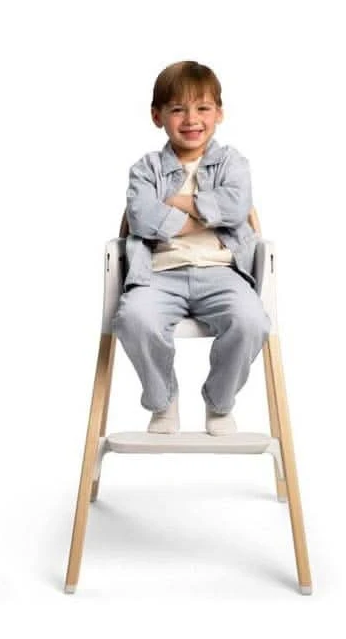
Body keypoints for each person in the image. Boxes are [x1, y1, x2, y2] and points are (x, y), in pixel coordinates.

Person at [113, 61, 269, 435]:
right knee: (134, 318)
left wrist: (179, 202)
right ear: (157, 116)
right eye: (178, 109)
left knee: (250, 320)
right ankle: (163, 400)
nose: (191, 119)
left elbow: (237, 207)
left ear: (219, 113)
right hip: (158, 272)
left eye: (202, 108)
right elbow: (142, 218)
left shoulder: (232, 162)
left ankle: (219, 401)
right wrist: (209, 214)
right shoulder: (146, 169)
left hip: (222, 271)